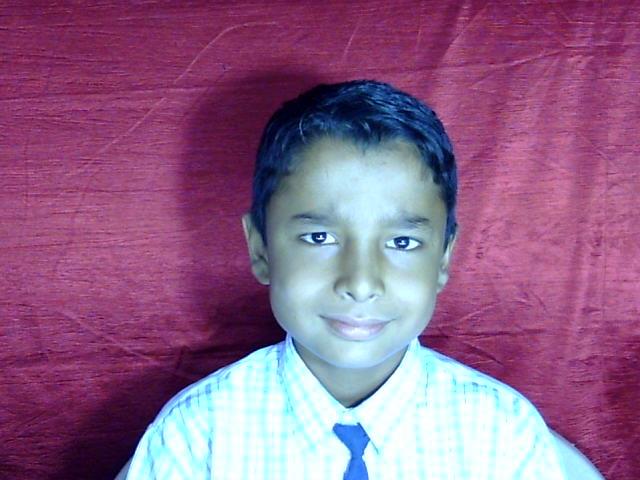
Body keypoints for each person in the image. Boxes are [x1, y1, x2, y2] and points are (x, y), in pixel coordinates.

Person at [126, 80, 565, 479]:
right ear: (261, 249)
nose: (360, 281)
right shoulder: (197, 437)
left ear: (444, 257)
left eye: (403, 242)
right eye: (319, 237)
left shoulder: (503, 435)